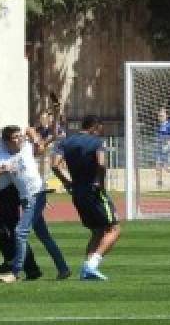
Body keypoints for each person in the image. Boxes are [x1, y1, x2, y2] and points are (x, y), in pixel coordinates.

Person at [0, 125, 67, 281]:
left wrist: (34, 138)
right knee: (43, 235)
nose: (19, 139)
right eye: (15, 137)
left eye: (20, 136)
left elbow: (31, 130)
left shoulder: (27, 148)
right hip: (26, 198)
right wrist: (4, 169)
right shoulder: (3, 157)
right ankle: (63, 268)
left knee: (20, 232)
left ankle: (15, 272)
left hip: (36, 195)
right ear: (6, 141)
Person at [52, 114, 121, 281]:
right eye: (99, 130)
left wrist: (67, 183)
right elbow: (102, 163)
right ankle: (92, 265)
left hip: (77, 191)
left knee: (97, 231)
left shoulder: (65, 142)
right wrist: (100, 182)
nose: (100, 133)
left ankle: (87, 270)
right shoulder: (96, 142)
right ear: (94, 127)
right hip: (93, 191)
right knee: (114, 229)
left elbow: (55, 165)